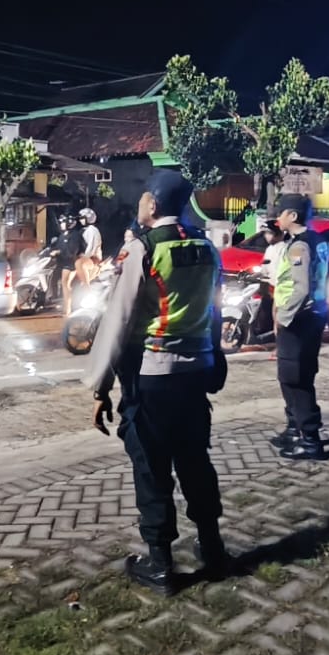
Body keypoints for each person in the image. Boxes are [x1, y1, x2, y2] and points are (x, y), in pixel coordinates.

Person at [85, 169, 227, 596]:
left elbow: (118, 321)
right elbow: (215, 310)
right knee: (195, 460)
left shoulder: (142, 249)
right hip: (195, 374)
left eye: (144, 197)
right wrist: (214, 358)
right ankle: (212, 547)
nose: (140, 203)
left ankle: (161, 564)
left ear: (154, 203)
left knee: (152, 467)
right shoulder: (206, 247)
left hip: (153, 376)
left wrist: (100, 386)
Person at [271, 194, 329, 461]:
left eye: (281, 213)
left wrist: (283, 317)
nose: (277, 218)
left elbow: (301, 288)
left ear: (293, 216)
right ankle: (294, 429)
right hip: (313, 316)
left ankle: (309, 439)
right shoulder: (317, 241)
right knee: (295, 375)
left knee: (295, 378)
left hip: (298, 319)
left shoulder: (300, 245)